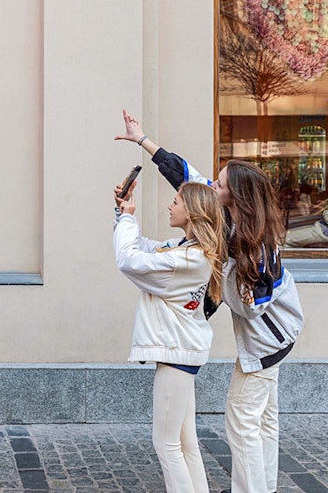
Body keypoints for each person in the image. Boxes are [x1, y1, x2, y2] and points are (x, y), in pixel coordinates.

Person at [116, 109, 304, 493]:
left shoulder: (258, 242)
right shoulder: (229, 219)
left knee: (241, 421)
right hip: (274, 337)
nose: (210, 185)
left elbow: (255, 304)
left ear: (236, 197)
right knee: (265, 421)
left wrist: (221, 284)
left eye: (218, 185)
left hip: (270, 341)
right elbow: (184, 175)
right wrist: (141, 139)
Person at [113, 177, 228, 493]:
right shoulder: (188, 251)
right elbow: (145, 246)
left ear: (191, 212)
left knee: (166, 444)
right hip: (183, 352)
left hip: (178, 355)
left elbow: (129, 260)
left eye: (176, 201)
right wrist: (124, 214)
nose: (169, 205)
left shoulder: (186, 260)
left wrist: (126, 219)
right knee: (185, 442)